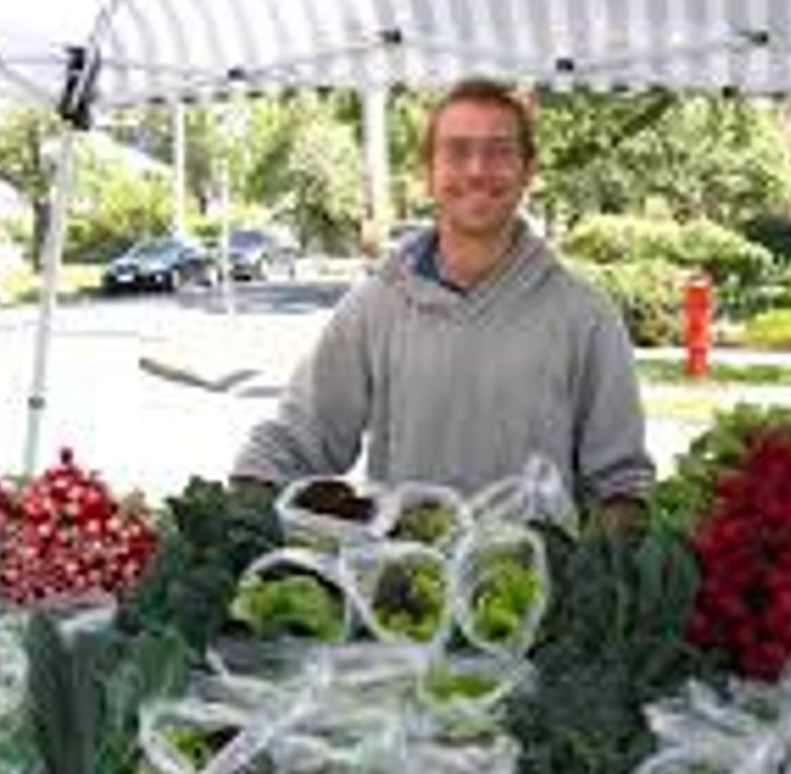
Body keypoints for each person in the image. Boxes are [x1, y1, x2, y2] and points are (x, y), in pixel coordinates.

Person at [233, 77, 654, 524]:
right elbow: (302, 436)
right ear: (427, 173)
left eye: (499, 151)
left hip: (537, 587)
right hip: (405, 584)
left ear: (528, 171)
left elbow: (620, 483)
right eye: (457, 151)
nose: (476, 169)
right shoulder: (376, 306)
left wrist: (612, 562)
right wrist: (244, 494)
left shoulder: (584, 316)